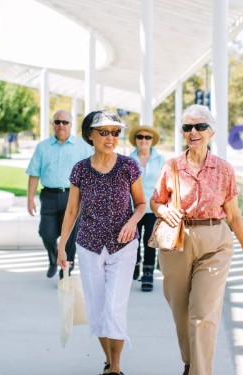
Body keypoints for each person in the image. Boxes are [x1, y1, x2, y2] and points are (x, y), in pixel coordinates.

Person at [150, 104, 243, 375]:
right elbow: (155, 201)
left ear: (211, 131)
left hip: (215, 243)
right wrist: (163, 210)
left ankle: (199, 371)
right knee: (181, 312)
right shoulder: (171, 166)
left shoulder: (224, 170)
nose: (193, 132)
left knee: (203, 314)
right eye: (187, 127)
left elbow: (233, 215)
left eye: (199, 126)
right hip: (177, 242)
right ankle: (190, 361)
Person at [57, 110, 146, 375]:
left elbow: (141, 204)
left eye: (115, 132)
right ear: (89, 136)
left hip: (123, 246)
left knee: (114, 307)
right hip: (89, 246)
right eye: (104, 132)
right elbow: (72, 211)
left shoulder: (129, 166)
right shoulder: (81, 170)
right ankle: (109, 359)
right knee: (97, 310)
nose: (111, 138)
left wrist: (132, 223)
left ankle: (115, 368)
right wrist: (62, 246)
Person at [26, 110, 93, 279]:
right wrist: (29, 200)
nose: (61, 125)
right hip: (48, 196)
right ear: (53, 124)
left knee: (70, 236)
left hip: (73, 196)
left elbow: (91, 173)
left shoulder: (82, 147)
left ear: (71, 125)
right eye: (57, 122)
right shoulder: (42, 147)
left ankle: (66, 271)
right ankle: (54, 257)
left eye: (65, 122)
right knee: (46, 233)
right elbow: (34, 173)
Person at [128, 125, 165, 291]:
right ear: (136, 140)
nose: (143, 140)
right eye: (140, 137)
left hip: (152, 207)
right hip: (132, 207)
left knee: (149, 242)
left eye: (147, 137)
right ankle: (135, 262)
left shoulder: (160, 160)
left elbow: (166, 184)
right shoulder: (128, 159)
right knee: (132, 240)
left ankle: (148, 273)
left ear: (152, 141)